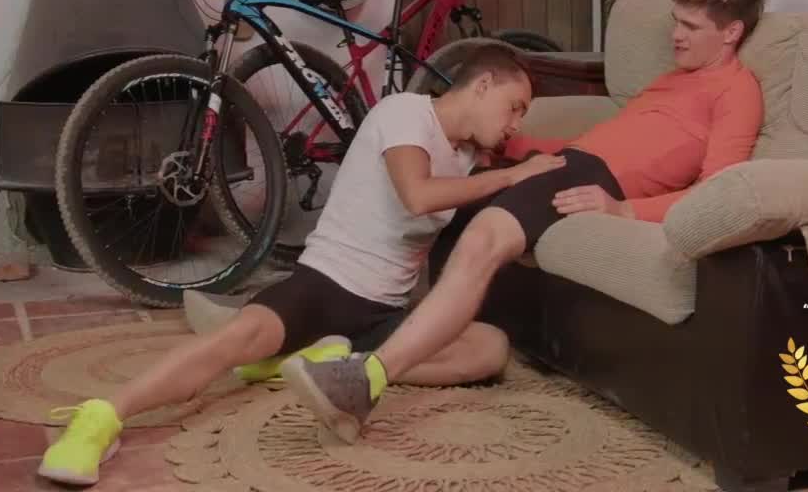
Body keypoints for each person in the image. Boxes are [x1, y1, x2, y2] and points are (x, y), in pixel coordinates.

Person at [278, 0, 768, 443]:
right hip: (569, 163)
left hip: (594, 180)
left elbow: (716, 193)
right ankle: (343, 325)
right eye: (676, 21)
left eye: (690, 26)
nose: (676, 35)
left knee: (484, 238)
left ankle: (363, 381)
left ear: (731, 33)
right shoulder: (674, 78)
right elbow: (600, 141)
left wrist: (625, 209)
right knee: (447, 207)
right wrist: (516, 147)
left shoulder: (736, 91)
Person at [36, 45, 564, 486]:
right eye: (514, 107)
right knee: (232, 345)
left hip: (385, 309)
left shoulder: (469, 158)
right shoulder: (406, 113)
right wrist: (510, 177)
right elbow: (418, 195)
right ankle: (101, 417)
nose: (516, 124)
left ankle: (330, 359)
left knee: (489, 348)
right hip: (326, 287)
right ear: (482, 85)